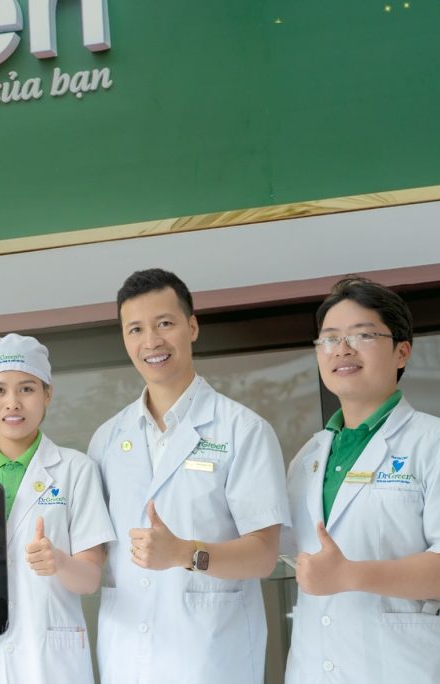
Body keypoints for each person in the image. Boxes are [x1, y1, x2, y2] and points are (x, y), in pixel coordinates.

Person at [87, 268, 289, 684]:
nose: (151, 342)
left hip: (212, 660)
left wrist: (184, 553)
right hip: (127, 658)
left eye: (164, 323)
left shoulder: (243, 430)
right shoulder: (107, 439)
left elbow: (263, 555)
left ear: (192, 327)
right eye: (135, 329)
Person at [284, 277, 440, 682]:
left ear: (401, 351)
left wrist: (349, 575)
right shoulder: (307, 459)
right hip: (313, 668)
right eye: (329, 339)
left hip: (405, 668)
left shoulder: (436, 443)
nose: (342, 349)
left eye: (362, 335)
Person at [0, 334, 114, 684]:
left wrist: (59, 562)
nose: (12, 403)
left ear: (47, 394)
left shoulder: (76, 469)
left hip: (50, 665)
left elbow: (90, 579)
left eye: (26, 389)